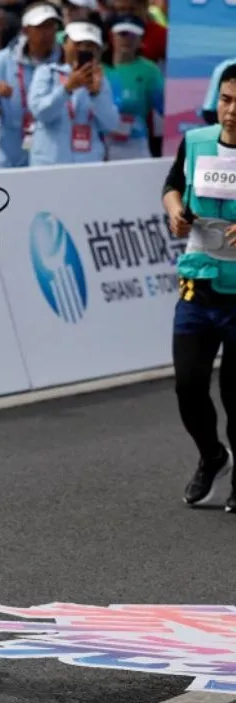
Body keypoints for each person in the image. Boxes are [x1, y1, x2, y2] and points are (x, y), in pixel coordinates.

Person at [161, 62, 236, 513]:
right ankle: (212, 456)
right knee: (188, 385)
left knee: (235, 394)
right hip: (198, 287)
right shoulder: (196, 142)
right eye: (227, 100)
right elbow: (172, 186)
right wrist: (175, 209)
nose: (232, 112)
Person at [0, 2, 64, 168]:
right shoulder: (2, 60)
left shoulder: (64, 61)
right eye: (41, 27)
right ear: (26, 30)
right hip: (9, 156)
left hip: (52, 156)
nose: (47, 33)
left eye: (51, 26)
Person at [27, 21, 121, 166]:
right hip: (49, 164)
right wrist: (67, 89)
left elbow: (111, 124)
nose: (83, 49)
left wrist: (96, 95)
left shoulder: (101, 79)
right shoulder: (47, 72)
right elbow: (40, 113)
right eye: (78, 43)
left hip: (88, 164)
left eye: (90, 46)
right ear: (64, 44)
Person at [102, 15, 163, 161]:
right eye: (122, 34)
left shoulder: (149, 71)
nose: (127, 40)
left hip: (135, 143)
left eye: (133, 35)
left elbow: (165, 106)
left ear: (141, 40)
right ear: (112, 36)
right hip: (102, 143)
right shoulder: (100, 68)